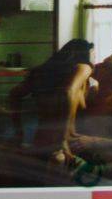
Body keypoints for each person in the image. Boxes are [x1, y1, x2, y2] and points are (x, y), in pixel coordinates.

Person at [7, 39, 94, 169]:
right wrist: (63, 139)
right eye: (93, 54)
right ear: (85, 54)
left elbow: (14, 94)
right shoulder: (83, 67)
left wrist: (18, 132)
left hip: (40, 142)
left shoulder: (43, 73)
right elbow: (68, 92)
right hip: (64, 146)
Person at [69, 54, 112, 172]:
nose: (97, 65)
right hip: (81, 147)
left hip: (105, 151)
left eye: (105, 65)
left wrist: (92, 142)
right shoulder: (91, 92)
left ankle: (92, 170)